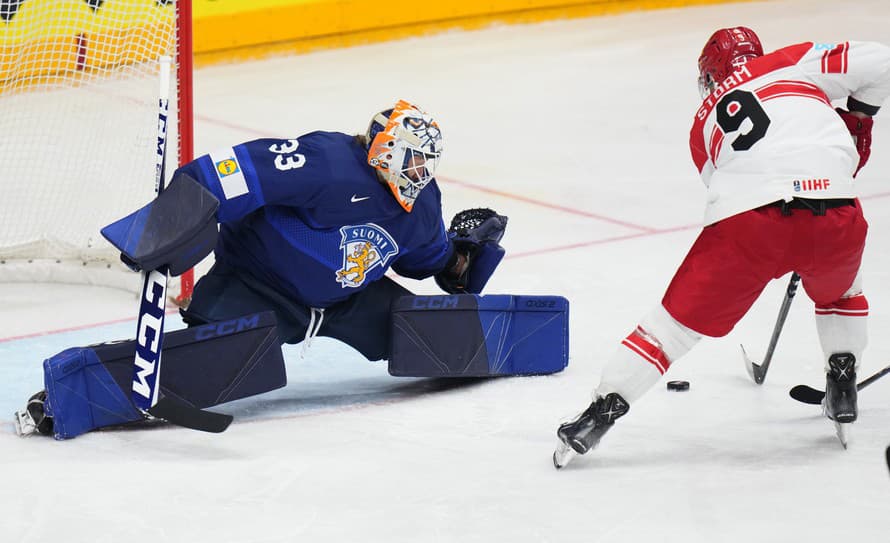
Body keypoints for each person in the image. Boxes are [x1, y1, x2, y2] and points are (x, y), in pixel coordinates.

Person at [15, 99, 521, 439]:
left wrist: (463, 259)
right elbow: (218, 175)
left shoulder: (422, 204)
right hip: (258, 283)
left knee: (437, 335)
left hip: (349, 301)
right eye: (413, 162)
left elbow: (430, 263)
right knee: (216, 362)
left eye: (427, 165)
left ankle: (513, 345)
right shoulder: (326, 162)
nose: (420, 175)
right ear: (385, 150)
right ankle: (72, 394)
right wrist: (164, 231)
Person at [553, 27, 890, 468]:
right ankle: (842, 378)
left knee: (668, 331)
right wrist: (858, 120)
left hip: (749, 223)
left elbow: (726, 183)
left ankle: (598, 415)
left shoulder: (701, 126)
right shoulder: (792, 60)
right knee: (842, 291)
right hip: (836, 211)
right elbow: (882, 62)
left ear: (709, 76)